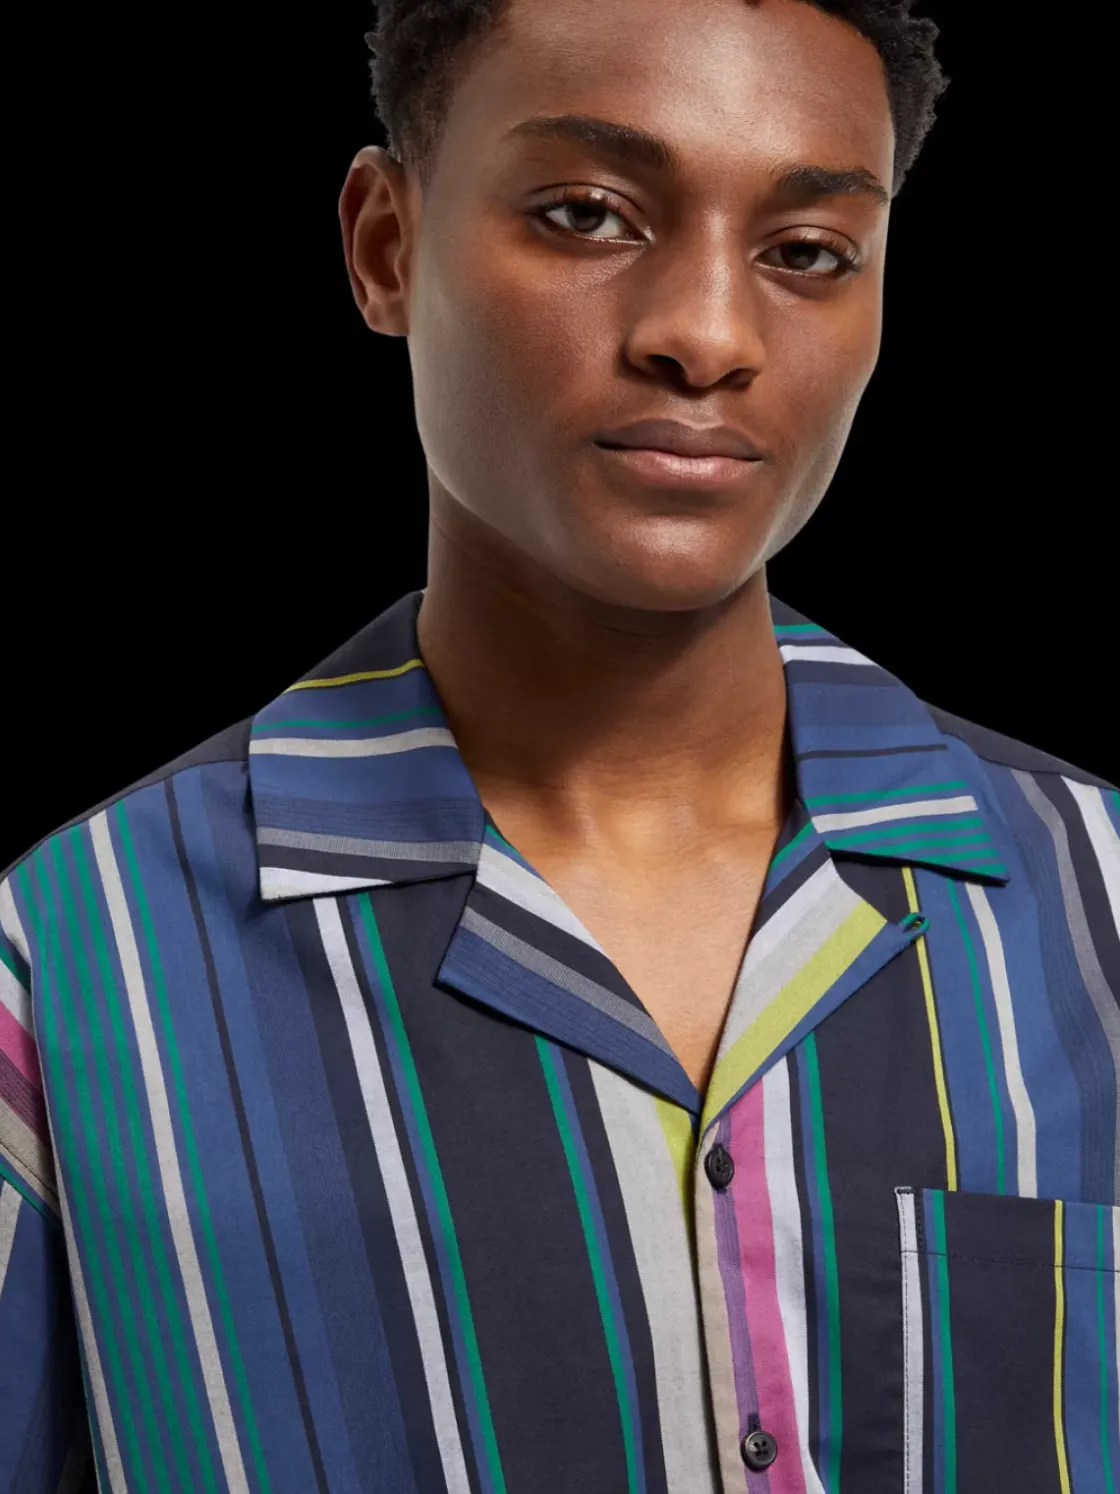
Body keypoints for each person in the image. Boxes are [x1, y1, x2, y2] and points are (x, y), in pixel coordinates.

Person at [2, 0, 1117, 1488]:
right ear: (386, 245)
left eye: (806, 251)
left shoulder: (1101, 896)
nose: (705, 336)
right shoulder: (69, 955)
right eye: (588, 214)